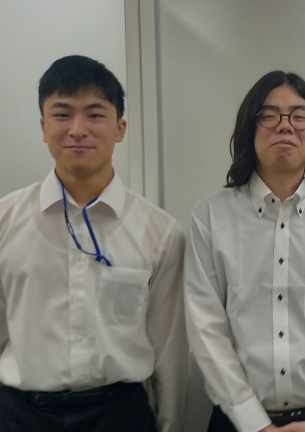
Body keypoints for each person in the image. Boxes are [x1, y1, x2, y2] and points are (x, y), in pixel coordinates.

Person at [0, 55, 189, 432]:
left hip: (119, 415)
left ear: (120, 128)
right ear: (43, 127)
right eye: (62, 114)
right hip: (21, 416)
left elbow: (170, 354)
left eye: (94, 114)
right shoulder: (4, 221)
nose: (77, 129)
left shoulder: (161, 233)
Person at [184, 71, 305, 432]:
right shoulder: (211, 217)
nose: (285, 125)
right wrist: (253, 422)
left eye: (299, 116)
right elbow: (206, 331)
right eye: (269, 115)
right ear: (249, 130)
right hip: (237, 421)